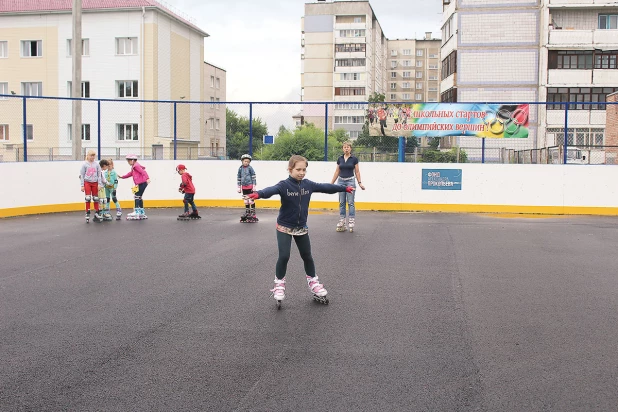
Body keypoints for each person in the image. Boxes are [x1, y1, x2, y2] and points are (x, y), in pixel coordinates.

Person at [246, 155, 354, 306]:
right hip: (284, 227)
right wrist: (259, 194)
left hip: (301, 227)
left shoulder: (307, 184)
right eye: (298, 169)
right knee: (284, 256)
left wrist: (343, 188)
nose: (302, 172)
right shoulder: (284, 185)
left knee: (307, 256)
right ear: (290, 169)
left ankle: (314, 283)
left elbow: (325, 187)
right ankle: (279, 285)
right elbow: (272, 190)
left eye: (304, 169)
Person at [331, 141, 366, 232]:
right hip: (341, 181)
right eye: (344, 147)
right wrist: (332, 183)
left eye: (348, 147)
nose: (346, 148)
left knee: (350, 202)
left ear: (350, 148)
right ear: (342, 148)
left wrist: (360, 183)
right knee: (342, 202)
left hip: (350, 181)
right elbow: (337, 171)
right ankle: (342, 220)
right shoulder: (340, 159)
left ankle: (351, 220)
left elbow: (357, 172)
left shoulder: (354, 159)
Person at [119, 154, 150, 220]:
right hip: (141, 183)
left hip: (141, 183)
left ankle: (136, 211)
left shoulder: (136, 166)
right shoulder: (134, 166)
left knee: (136, 196)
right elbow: (131, 174)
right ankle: (141, 211)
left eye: (129, 161)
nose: (128, 162)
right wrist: (123, 177)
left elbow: (143, 172)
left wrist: (147, 178)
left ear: (132, 160)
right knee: (139, 197)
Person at [79, 150, 103, 223]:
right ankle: (87, 211)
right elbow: (82, 175)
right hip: (87, 182)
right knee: (88, 198)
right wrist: (82, 185)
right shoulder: (84, 164)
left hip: (95, 182)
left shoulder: (96, 164)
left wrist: (99, 184)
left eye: (93, 156)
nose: (92, 157)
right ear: (88, 156)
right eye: (91, 155)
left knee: (96, 198)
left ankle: (96, 212)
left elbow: (99, 175)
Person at [237, 154, 258, 223]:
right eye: (245, 161)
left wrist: (254, 185)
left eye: (248, 162)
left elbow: (253, 176)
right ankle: (247, 212)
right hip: (244, 187)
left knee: (251, 199)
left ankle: (253, 213)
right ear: (242, 161)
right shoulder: (240, 168)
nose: (246, 163)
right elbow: (239, 177)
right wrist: (239, 186)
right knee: (246, 200)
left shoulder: (250, 168)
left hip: (250, 186)